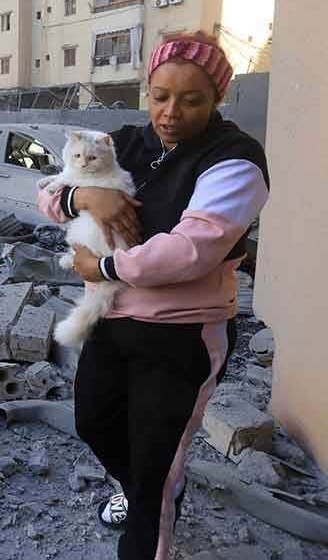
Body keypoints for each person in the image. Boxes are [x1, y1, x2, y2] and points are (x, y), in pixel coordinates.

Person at [36, 31, 269, 559]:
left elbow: (192, 250)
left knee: (154, 470)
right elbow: (45, 198)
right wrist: (82, 194)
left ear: (217, 99)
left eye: (191, 100)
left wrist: (103, 265)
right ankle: (146, 486)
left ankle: (154, 503)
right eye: (160, 95)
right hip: (114, 319)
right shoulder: (129, 142)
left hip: (182, 335)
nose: (170, 113)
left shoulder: (236, 159)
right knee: (93, 422)